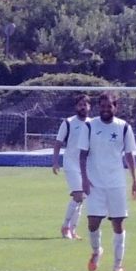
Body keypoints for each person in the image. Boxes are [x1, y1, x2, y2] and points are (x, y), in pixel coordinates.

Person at [79, 91, 136, 271]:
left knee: (118, 224)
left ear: (116, 107)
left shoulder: (124, 127)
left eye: (109, 106)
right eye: (103, 106)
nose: (106, 109)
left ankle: (117, 265)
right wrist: (84, 179)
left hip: (116, 183)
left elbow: (129, 155)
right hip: (95, 183)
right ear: (99, 107)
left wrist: (135, 180)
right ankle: (97, 251)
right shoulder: (89, 126)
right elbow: (82, 155)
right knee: (93, 223)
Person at [51, 94, 91, 240]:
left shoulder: (92, 124)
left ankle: (73, 230)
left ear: (89, 107)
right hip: (71, 163)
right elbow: (58, 143)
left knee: (81, 199)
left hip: (86, 166)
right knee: (78, 195)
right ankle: (65, 226)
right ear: (76, 106)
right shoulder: (68, 122)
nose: (83, 107)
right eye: (80, 104)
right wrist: (55, 162)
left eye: (85, 105)